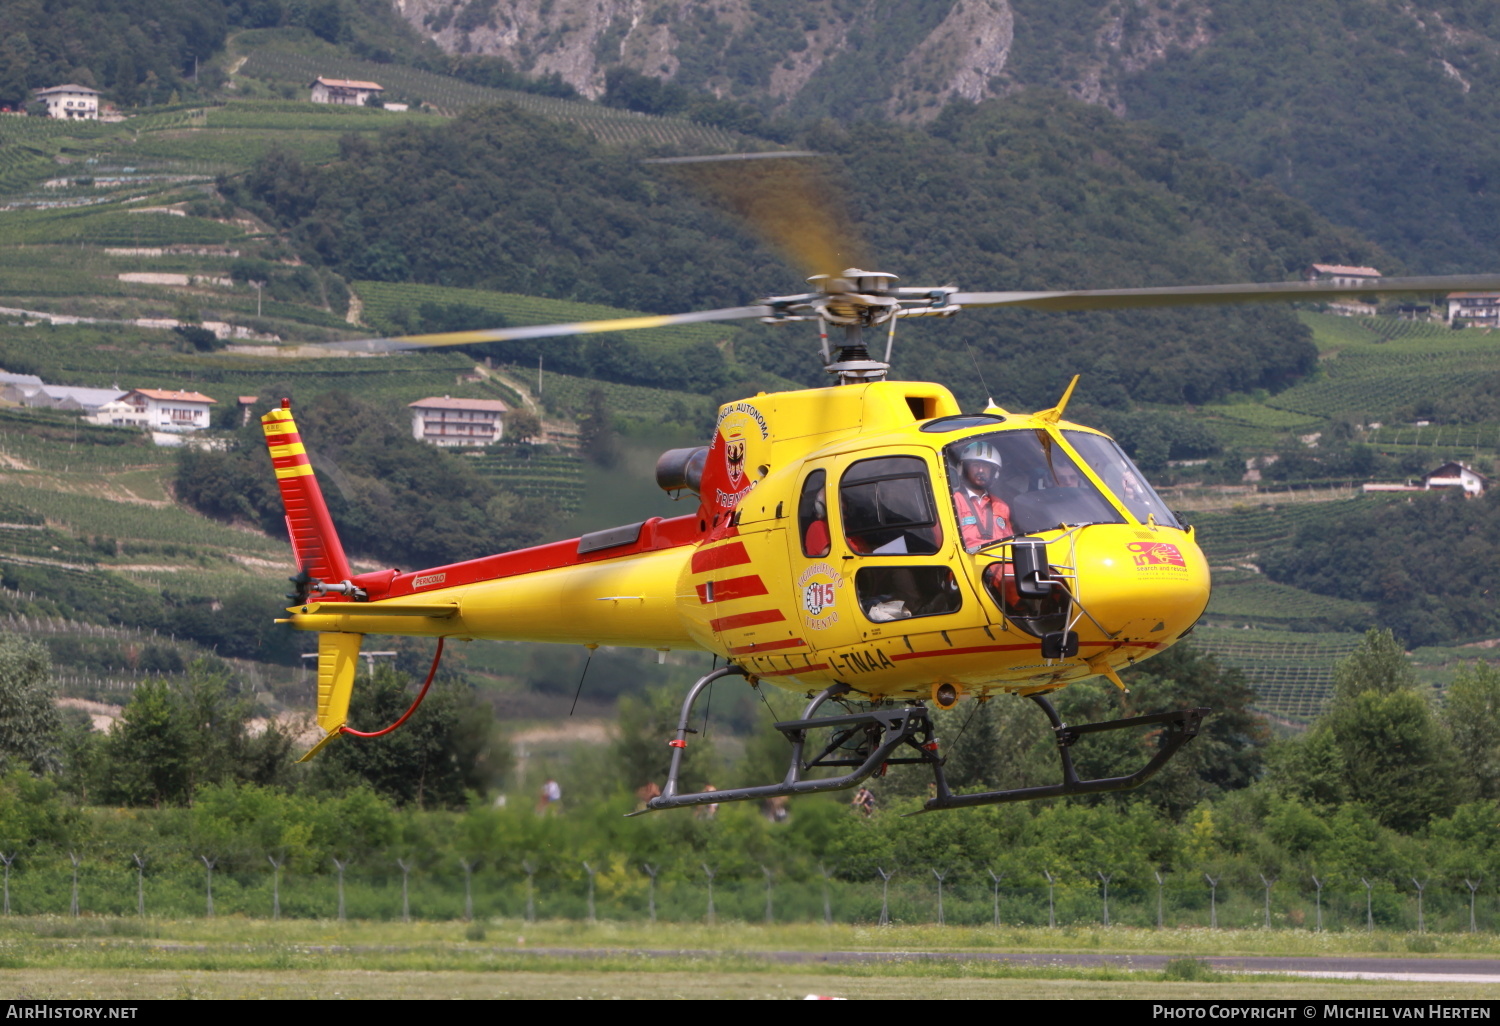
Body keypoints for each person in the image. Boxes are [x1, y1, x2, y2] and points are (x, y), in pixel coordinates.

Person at [952, 440, 1013, 551]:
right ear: (963, 469)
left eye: (986, 466)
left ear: (994, 472)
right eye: (975, 465)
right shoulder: (953, 502)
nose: (980, 470)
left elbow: (1010, 545)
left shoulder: (1002, 506)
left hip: (1000, 564)